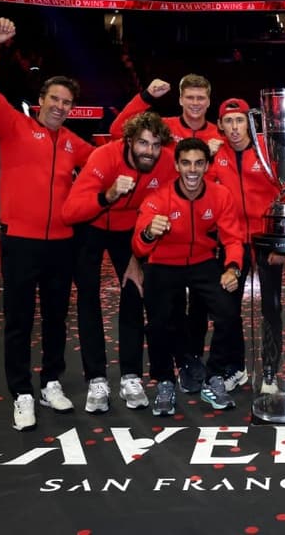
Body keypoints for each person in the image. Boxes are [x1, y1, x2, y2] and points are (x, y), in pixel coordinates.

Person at [0, 17, 94, 431]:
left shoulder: (74, 143)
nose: (60, 107)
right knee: (19, 319)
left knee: (56, 317)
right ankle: (22, 392)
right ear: (40, 99)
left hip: (62, 243)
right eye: (55, 99)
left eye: (67, 103)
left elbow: (106, 158)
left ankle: (52, 382)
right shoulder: (14, 128)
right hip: (20, 241)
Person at [109, 74, 222, 395]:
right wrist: (145, 96)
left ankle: (191, 363)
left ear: (209, 100)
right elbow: (119, 131)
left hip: (202, 233)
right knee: (167, 307)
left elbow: (220, 180)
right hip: (164, 232)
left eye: (201, 98)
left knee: (200, 307)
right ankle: (173, 365)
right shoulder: (165, 127)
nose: (196, 104)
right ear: (181, 99)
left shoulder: (218, 133)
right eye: (190, 98)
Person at [61, 112, 172, 413]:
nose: (149, 151)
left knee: (134, 293)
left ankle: (131, 375)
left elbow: (169, 205)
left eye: (156, 144)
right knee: (88, 297)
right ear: (128, 142)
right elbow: (70, 212)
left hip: (130, 229)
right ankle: (97, 377)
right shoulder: (104, 157)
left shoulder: (166, 162)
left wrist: (139, 256)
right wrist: (107, 195)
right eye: (142, 143)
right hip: (92, 225)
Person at [133, 137, 244, 416]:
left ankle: (213, 377)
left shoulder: (220, 195)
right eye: (185, 163)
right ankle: (165, 382)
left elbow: (233, 239)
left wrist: (233, 268)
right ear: (176, 165)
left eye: (198, 163)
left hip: (202, 262)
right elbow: (138, 245)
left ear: (207, 165)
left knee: (228, 313)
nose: (192, 170)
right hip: (163, 262)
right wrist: (148, 233)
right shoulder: (158, 199)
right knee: (158, 323)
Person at [208, 98, 283, 393]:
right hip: (231, 242)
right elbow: (204, 193)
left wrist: (281, 244)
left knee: (271, 309)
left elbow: (283, 197)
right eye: (229, 122)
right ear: (221, 127)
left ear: (250, 124)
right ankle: (235, 367)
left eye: (240, 121)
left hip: (266, 241)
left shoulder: (268, 154)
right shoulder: (214, 155)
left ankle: (269, 372)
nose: (235, 127)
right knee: (228, 309)